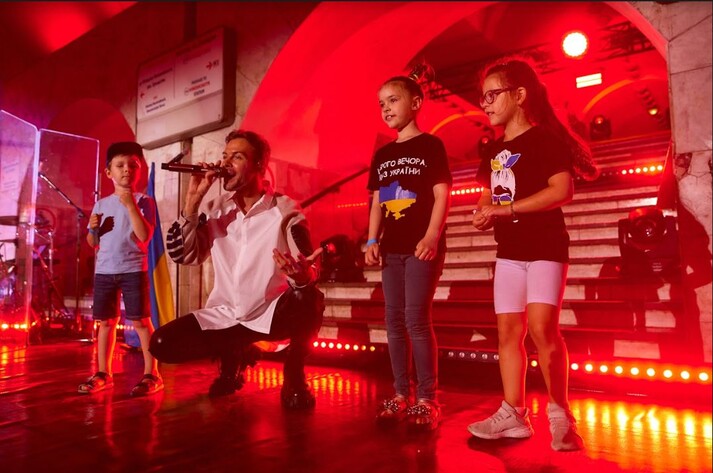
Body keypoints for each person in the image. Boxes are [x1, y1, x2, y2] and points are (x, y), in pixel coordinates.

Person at [467, 59, 598, 451]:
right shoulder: (493, 149)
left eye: (493, 95)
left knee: (542, 329)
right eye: (483, 97)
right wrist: (483, 212)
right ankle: (514, 414)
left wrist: (506, 209)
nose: (485, 104)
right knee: (509, 332)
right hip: (508, 251)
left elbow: (562, 191)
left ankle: (560, 414)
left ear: (519, 95)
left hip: (545, 248)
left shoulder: (545, 140)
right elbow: (488, 193)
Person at [148, 129, 325, 409]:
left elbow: (308, 261)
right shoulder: (214, 209)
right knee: (161, 344)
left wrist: (303, 275)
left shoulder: (285, 209)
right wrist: (192, 200)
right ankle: (234, 358)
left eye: (237, 157)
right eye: (225, 156)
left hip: (270, 313)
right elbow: (183, 255)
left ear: (259, 165)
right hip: (227, 315)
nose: (225, 163)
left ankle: (294, 374)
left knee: (310, 297)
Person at [365, 64, 452, 430]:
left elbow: (441, 193)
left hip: (421, 246)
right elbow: (377, 200)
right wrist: (372, 239)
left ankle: (428, 399)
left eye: (393, 100)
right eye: (381, 103)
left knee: (416, 319)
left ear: (415, 103)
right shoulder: (383, 154)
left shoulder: (431, 145)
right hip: (392, 248)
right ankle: (401, 393)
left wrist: (432, 235)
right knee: (394, 321)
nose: (386, 108)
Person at [78, 141, 163, 396]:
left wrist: (130, 205)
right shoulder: (101, 204)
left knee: (141, 321)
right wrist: (94, 229)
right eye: (120, 165)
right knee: (106, 322)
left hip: (133, 269)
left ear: (140, 170)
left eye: (133, 165)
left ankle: (152, 374)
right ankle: (103, 373)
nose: (127, 169)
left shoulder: (144, 201)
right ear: (109, 172)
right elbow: (92, 242)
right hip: (105, 271)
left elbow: (145, 235)